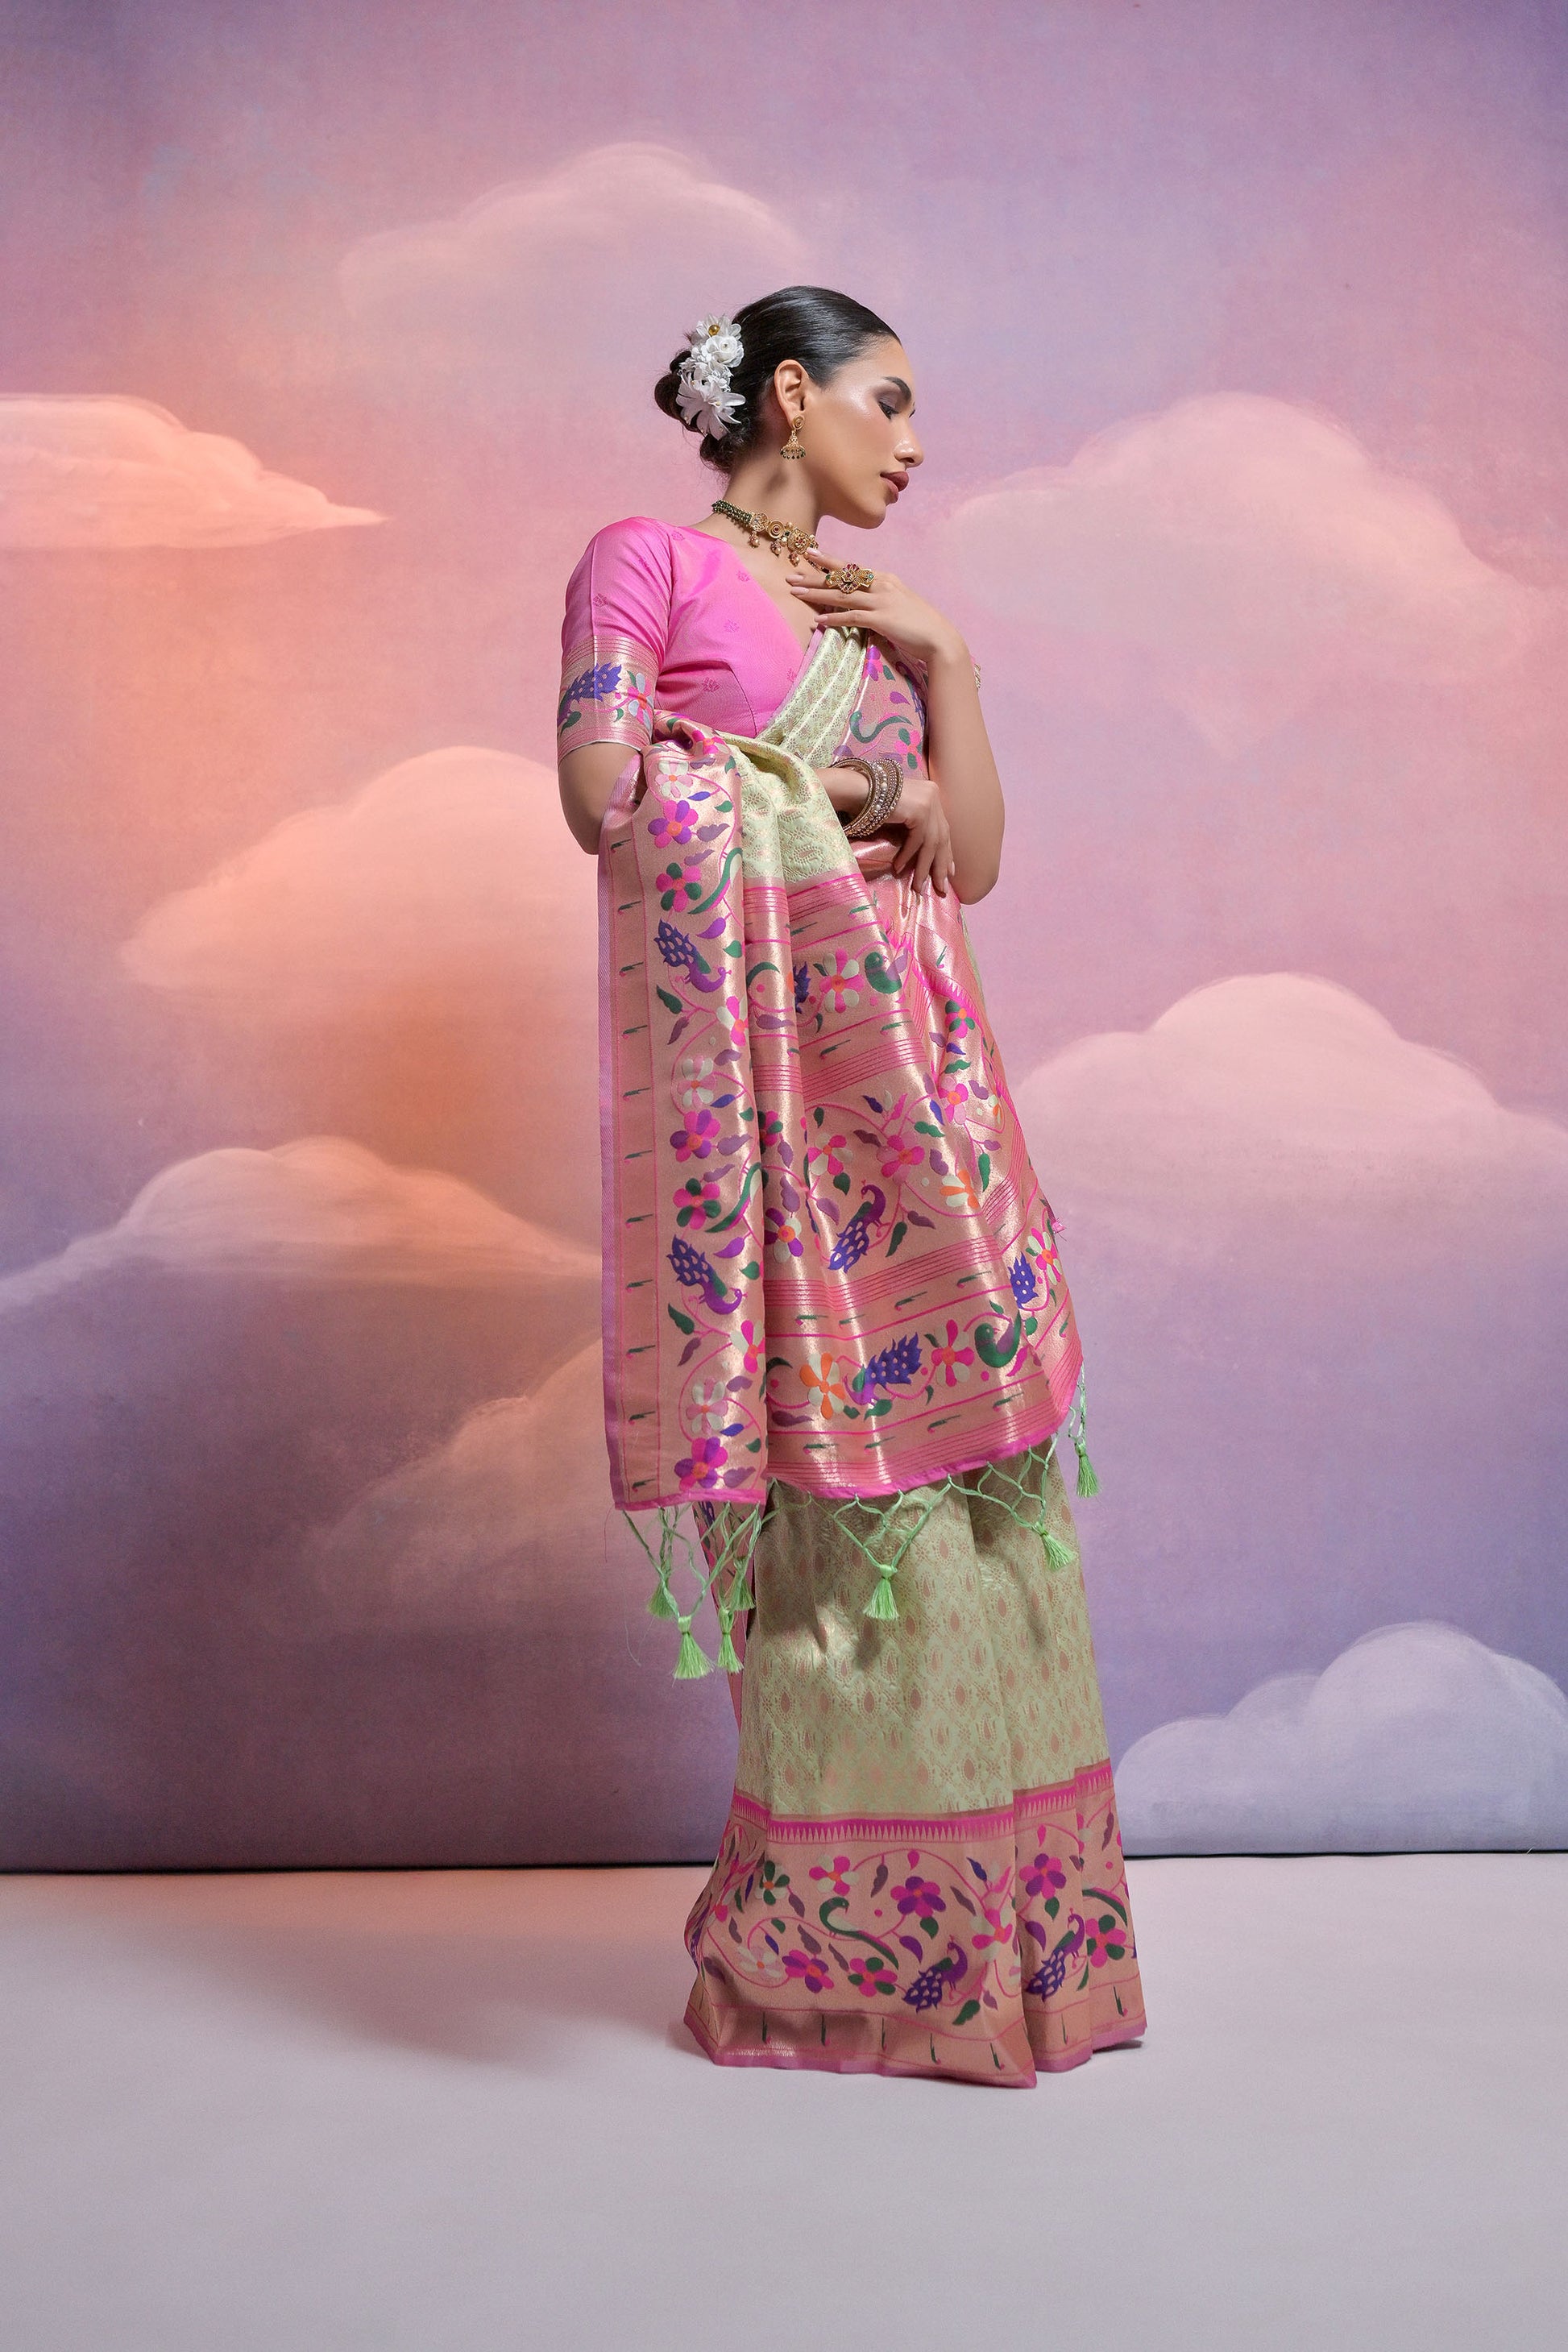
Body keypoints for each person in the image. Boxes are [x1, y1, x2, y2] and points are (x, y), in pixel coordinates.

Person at [556, 286, 1145, 2086]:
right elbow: (602, 792)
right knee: (840, 1510)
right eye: (886, 401)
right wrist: (835, 787)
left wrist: (942, 666)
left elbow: (971, 859)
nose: (912, 440)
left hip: (924, 1104)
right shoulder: (646, 561)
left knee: (984, 1518)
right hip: (784, 1121)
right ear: (787, 395)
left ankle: (1005, 1957)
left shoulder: (874, 612)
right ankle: (835, 1973)